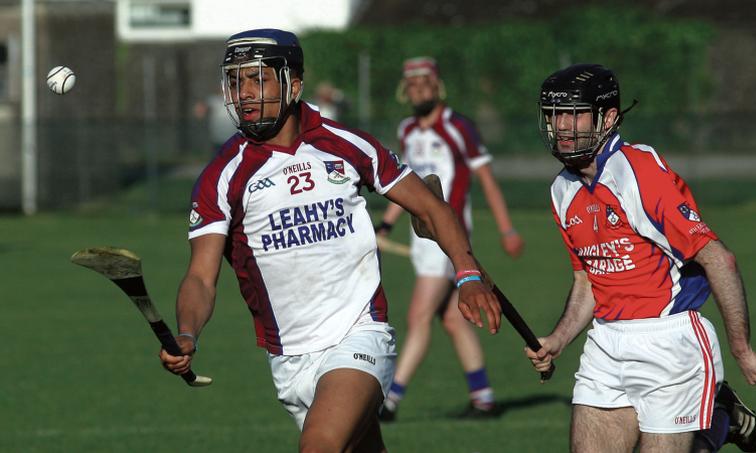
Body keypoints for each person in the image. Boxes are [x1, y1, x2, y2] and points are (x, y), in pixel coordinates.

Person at [159, 29, 501, 452]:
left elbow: (431, 207)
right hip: (289, 357)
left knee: (319, 447)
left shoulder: (346, 144)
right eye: (235, 81)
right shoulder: (221, 176)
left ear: (294, 85)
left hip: (359, 334)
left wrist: (467, 273)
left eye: (258, 79)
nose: (244, 93)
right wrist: (188, 331)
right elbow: (200, 277)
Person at [526, 63, 756, 452]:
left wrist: (742, 351)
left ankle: (719, 419)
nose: (563, 128)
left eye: (574, 116)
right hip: (605, 343)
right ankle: (716, 416)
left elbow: (718, 259)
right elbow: (588, 279)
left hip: (669, 340)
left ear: (607, 118)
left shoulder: (637, 172)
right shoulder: (562, 190)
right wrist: (559, 338)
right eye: (556, 116)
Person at [376, 56, 525, 421]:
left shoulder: (458, 126)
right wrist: (385, 225)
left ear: (438, 85)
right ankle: (484, 398)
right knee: (452, 320)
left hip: (448, 239)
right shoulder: (408, 130)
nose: (419, 90)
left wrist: (507, 229)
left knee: (418, 315)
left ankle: (390, 401)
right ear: (404, 91)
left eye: (426, 83)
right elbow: (407, 188)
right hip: (419, 238)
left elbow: (486, 180)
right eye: (412, 85)